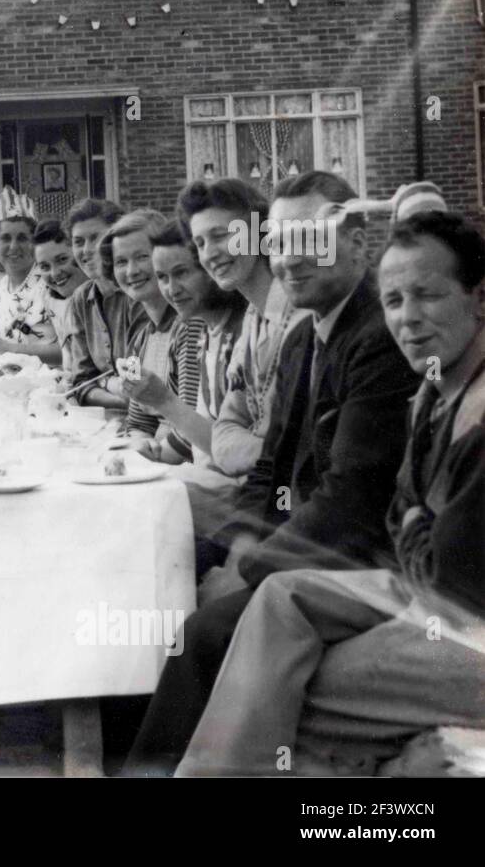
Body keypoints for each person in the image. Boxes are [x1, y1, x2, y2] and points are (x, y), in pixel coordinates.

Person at [122, 171, 421, 777]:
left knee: (203, 632)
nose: (288, 259)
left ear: (358, 244)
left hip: (365, 557)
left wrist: (252, 567)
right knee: (168, 565)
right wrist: (236, 546)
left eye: (308, 239)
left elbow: (351, 500)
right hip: (309, 539)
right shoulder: (304, 338)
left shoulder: (380, 338)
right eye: (279, 242)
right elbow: (269, 471)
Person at [177, 211, 485, 776]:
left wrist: (416, 526)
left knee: (286, 686)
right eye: (393, 301)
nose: (408, 319)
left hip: (467, 622)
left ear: (478, 299)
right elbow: (405, 519)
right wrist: (418, 524)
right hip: (425, 588)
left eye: (428, 296)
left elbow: (448, 577)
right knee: (282, 599)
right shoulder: (436, 390)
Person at [179, 178, 309, 477]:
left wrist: (250, 449)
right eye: (200, 243)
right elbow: (224, 428)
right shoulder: (251, 319)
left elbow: (300, 445)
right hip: (259, 485)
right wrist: (258, 448)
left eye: (220, 235)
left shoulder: (301, 315)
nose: (209, 254)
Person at [119, 221, 247, 465]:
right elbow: (193, 436)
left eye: (181, 273)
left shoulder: (240, 331)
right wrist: (148, 454)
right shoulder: (206, 332)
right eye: (163, 278)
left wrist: (163, 400)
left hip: (240, 490)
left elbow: (233, 453)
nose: (172, 289)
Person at [99, 209, 200, 443]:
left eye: (142, 257)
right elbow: (136, 422)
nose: (132, 271)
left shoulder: (190, 328)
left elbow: (189, 424)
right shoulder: (140, 342)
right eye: (121, 262)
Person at [61, 198, 144, 408]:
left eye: (95, 238)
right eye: (78, 241)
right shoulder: (81, 299)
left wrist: (103, 381)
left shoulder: (137, 294)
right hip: (103, 420)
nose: (86, 250)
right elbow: (81, 383)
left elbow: (137, 385)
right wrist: (110, 386)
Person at [0, 187, 61, 364]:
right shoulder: (2, 287)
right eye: (5, 238)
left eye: (23, 238)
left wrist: (9, 349)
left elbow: (69, 350)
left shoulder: (52, 283)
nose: (13, 247)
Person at [32, 217, 87, 349]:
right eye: (45, 267)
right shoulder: (52, 301)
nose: (55, 273)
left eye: (62, 259)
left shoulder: (107, 298)